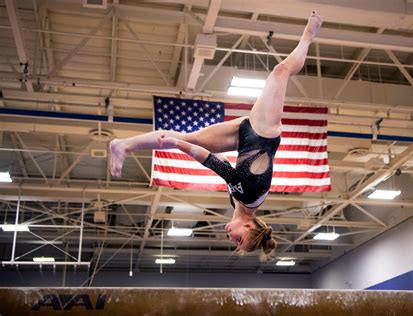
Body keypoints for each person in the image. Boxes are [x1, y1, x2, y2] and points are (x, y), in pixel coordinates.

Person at [109, 11, 323, 261]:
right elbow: (216, 163)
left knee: (190, 138)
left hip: (243, 137)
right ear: (249, 227)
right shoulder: (249, 196)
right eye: (239, 240)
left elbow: (220, 161)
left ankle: (124, 145)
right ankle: (309, 35)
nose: (231, 239)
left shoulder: (239, 204)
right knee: (280, 71)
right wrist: (178, 145)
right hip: (263, 131)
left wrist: (184, 143)